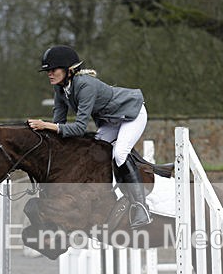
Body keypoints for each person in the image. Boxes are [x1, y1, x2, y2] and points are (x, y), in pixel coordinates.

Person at [27, 45, 152, 228]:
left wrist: (45, 125)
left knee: (120, 154)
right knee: (93, 153)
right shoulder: (60, 90)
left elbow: (79, 128)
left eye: (53, 70)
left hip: (132, 113)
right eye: (48, 71)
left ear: (69, 70)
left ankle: (140, 207)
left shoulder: (85, 85)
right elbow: (58, 125)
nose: (50, 74)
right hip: (110, 121)